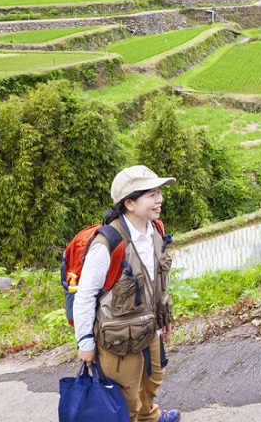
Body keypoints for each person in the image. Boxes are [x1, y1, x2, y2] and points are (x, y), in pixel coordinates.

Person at [74, 166, 181, 422]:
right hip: (119, 339)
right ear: (129, 203)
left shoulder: (155, 230)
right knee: (125, 397)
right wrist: (85, 343)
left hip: (149, 328)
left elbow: (156, 282)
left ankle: (150, 416)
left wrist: (163, 317)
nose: (159, 200)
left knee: (152, 379)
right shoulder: (108, 244)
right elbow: (85, 295)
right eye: (151, 195)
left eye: (159, 193)